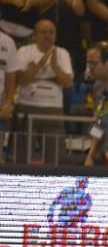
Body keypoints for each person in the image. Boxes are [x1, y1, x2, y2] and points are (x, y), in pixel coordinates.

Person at [13, 18, 72, 164]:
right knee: (22, 154)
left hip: (53, 109)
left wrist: (55, 67)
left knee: (56, 157)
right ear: (35, 35)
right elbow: (22, 80)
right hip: (27, 105)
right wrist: (41, 65)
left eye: (51, 32)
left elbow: (68, 82)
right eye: (44, 32)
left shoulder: (62, 53)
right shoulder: (24, 51)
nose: (48, 36)